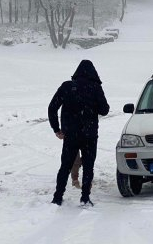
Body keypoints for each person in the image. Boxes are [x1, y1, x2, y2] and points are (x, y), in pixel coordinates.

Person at [48, 60, 109, 206]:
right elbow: (104, 110)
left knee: (65, 166)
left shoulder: (67, 87)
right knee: (88, 167)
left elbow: (52, 108)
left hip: (71, 135)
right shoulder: (95, 87)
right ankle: (85, 197)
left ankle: (57, 197)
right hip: (90, 135)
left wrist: (56, 129)